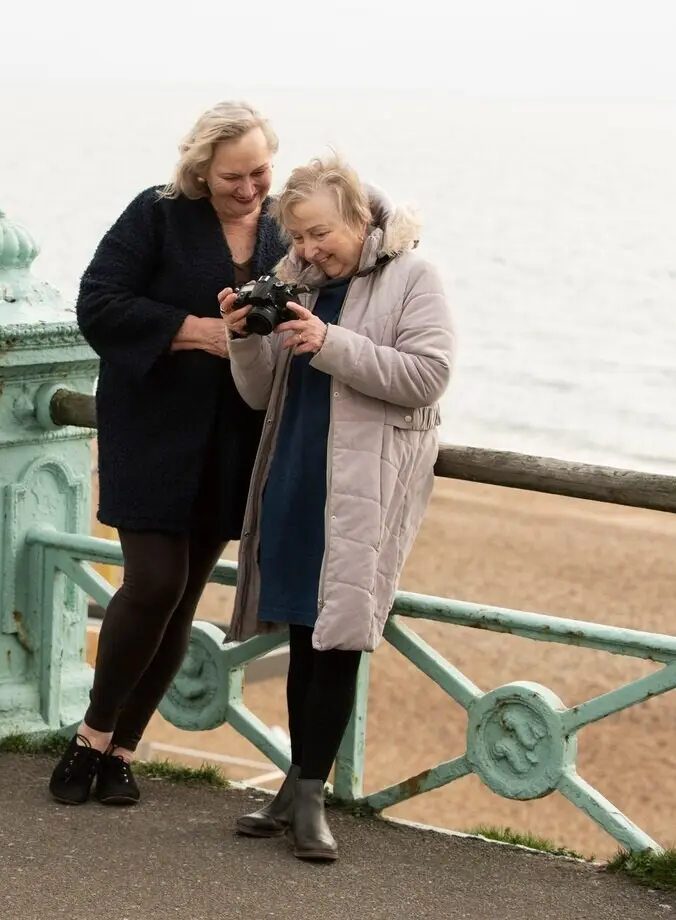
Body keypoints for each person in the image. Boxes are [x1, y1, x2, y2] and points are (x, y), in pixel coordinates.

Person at [48, 101, 288, 807]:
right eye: (232, 177)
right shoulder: (155, 213)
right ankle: (91, 735)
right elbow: (98, 304)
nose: (248, 190)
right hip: (151, 428)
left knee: (182, 600)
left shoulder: (284, 227)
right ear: (200, 170)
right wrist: (202, 332)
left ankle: (124, 751)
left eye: (260, 173)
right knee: (152, 581)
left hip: (236, 439)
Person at [219, 154, 455, 861]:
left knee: (340, 637)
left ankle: (313, 798)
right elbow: (261, 394)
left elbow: (428, 376)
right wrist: (243, 338)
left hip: (364, 483)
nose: (307, 251)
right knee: (300, 630)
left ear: (360, 218)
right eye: (296, 238)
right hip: (295, 469)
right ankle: (294, 789)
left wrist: (329, 342)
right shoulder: (296, 281)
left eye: (320, 234)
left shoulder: (415, 276)